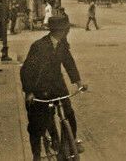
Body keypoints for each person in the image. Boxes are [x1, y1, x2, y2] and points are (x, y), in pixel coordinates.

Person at [20, 15, 85, 161]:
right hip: (39, 87)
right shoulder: (39, 46)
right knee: (37, 125)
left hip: (57, 85)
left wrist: (78, 82)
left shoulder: (62, 44)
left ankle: (70, 142)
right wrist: (29, 91)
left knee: (69, 114)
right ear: (58, 31)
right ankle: (36, 154)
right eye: (64, 30)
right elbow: (26, 70)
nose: (66, 32)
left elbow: (69, 63)